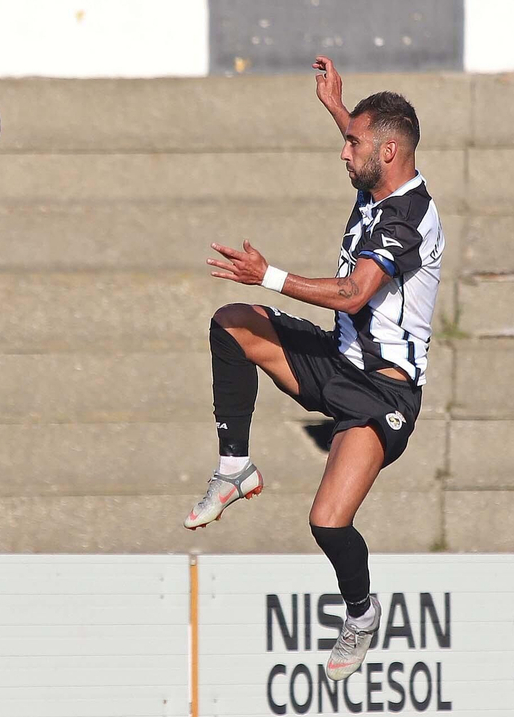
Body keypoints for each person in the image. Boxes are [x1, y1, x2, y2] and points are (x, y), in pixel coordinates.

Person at [187, 57, 443, 682]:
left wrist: (268, 274)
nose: (342, 153)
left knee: (327, 520)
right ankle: (234, 469)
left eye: (352, 143)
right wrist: (337, 108)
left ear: (387, 150)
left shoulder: (407, 219)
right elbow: (367, 148)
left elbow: (356, 294)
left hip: (382, 394)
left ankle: (360, 611)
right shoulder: (380, 180)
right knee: (231, 323)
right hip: (336, 358)